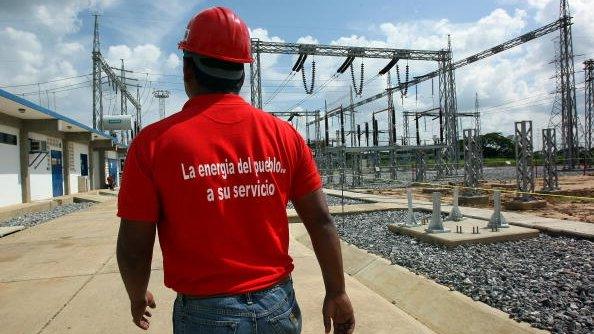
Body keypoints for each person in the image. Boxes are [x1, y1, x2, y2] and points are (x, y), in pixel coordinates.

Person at [116, 6, 355, 334]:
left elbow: (134, 242)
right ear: (242, 74)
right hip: (278, 307)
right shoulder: (285, 135)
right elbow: (321, 221)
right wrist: (337, 291)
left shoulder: (153, 144)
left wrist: (136, 294)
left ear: (188, 70)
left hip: (205, 314)